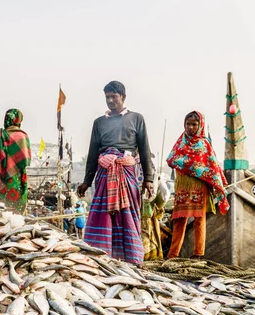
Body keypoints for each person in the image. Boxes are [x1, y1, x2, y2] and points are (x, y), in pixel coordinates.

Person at [77, 81, 154, 265]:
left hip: (127, 172)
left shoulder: (137, 118)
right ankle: (101, 257)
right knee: (102, 214)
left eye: (114, 97)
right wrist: (87, 181)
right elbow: (93, 153)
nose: (110, 100)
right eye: (107, 97)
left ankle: (131, 259)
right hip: (104, 174)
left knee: (127, 213)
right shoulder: (99, 123)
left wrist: (148, 179)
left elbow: (144, 150)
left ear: (123, 97)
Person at [166, 111, 229, 259]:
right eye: (188, 124)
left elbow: (213, 167)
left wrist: (188, 165)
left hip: (199, 186)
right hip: (182, 186)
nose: (191, 127)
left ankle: (198, 254)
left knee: (199, 220)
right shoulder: (181, 141)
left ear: (200, 125)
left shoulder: (204, 144)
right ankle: (172, 255)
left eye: (194, 124)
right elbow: (171, 159)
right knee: (179, 220)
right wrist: (194, 166)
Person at [0, 109, 32, 214]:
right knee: (13, 210)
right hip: (15, 180)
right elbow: (24, 160)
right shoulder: (22, 136)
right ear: (19, 120)